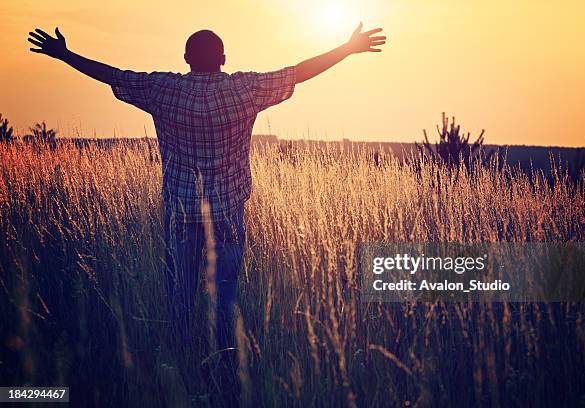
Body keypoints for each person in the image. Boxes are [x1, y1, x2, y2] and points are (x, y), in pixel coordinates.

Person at [27, 21, 385, 372]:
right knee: (225, 295)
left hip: (180, 213)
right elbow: (298, 73)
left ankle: (182, 361)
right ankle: (226, 363)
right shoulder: (245, 89)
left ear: (185, 57)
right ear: (224, 58)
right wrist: (347, 49)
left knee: (180, 294)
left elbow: (114, 75)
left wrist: (65, 55)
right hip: (227, 213)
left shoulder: (162, 90)